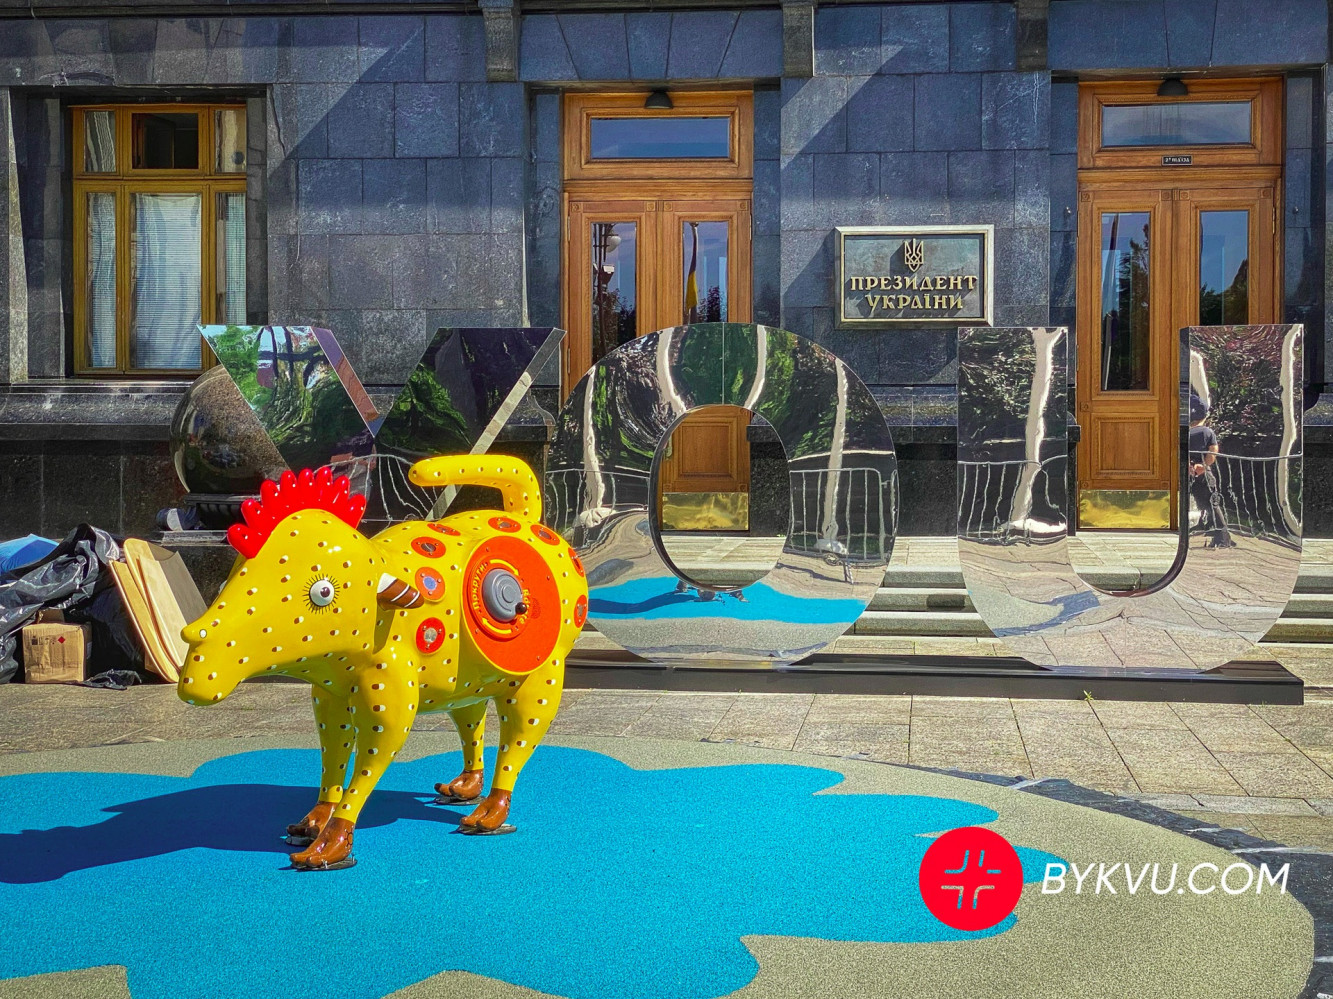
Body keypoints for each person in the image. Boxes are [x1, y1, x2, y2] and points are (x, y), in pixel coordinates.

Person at [1188, 393, 1235, 549]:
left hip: (1189, 472)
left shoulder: (1185, 433)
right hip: (1204, 473)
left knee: (1200, 503)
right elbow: (1212, 453)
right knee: (1213, 504)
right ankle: (1223, 538)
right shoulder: (1207, 432)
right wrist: (1202, 466)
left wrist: (1190, 466)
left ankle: (1207, 529)